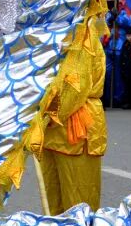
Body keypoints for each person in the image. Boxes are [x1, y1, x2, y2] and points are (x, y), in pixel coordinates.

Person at [37, 18, 107, 215]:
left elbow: (75, 86)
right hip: (51, 129)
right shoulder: (54, 30)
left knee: (78, 207)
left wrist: (45, 116)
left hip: (75, 127)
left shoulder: (82, 32)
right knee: (54, 204)